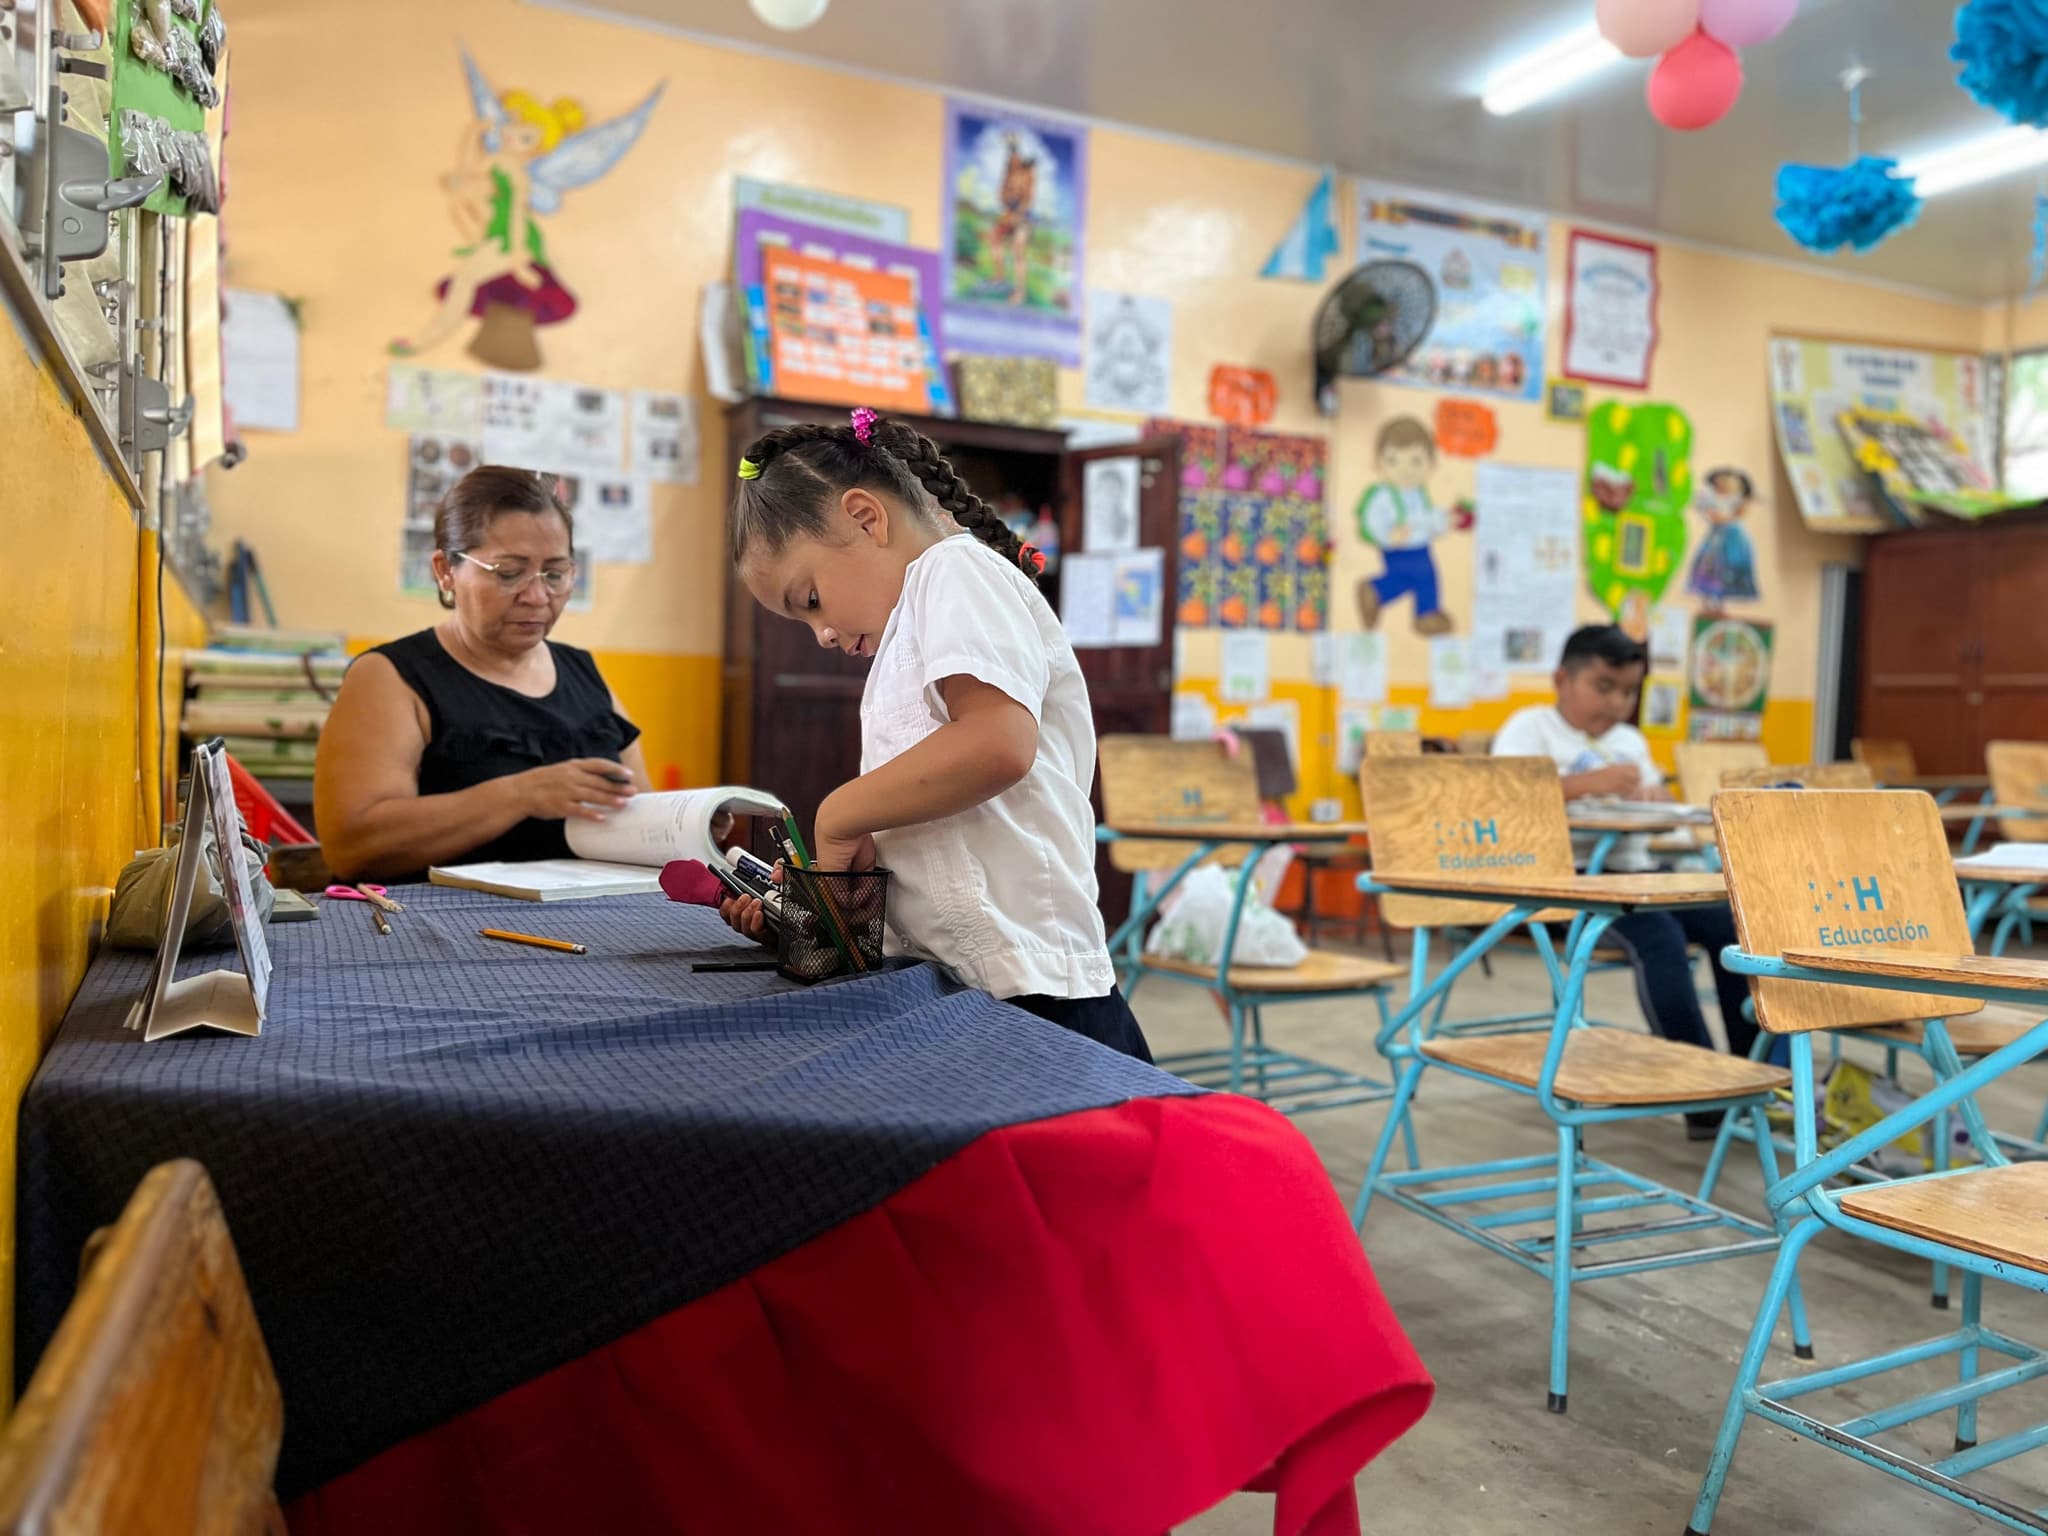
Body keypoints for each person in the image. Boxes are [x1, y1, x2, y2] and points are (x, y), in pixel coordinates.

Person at [716, 408, 1150, 1063]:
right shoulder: (912, 627)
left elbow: (999, 744)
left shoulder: (955, 572)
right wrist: (811, 920)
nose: (824, 634)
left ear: (866, 517)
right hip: (959, 989)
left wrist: (841, 815)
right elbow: (928, 863)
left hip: (1040, 999)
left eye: (810, 600)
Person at [316, 466, 649, 880]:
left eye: (556, 574)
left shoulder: (585, 674)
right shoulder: (389, 677)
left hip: (588, 921)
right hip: (432, 932)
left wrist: (688, 826)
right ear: (445, 571)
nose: (537, 596)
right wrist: (518, 795)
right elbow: (353, 847)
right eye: (509, 572)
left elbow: (639, 814)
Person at [1492, 625, 1756, 1139]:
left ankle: (1750, 1076)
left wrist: (1656, 800)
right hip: (1567, 883)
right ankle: (1700, 1091)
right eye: (1603, 686)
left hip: (1641, 874)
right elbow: (1501, 796)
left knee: (1733, 927)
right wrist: (1585, 785)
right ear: (1561, 679)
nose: (1616, 702)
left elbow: (1660, 810)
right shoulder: (1530, 729)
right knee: (1661, 943)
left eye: (1628, 690)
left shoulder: (1628, 741)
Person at [1354, 416, 1471, 635]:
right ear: (1377, 463)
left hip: (1420, 547)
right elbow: (1372, 519)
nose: (1405, 470)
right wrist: (1388, 534)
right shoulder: (1384, 495)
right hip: (1399, 549)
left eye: (1416, 461)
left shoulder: (1419, 494)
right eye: (1393, 461)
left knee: (1419, 578)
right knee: (1418, 576)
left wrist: (1446, 519)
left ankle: (1385, 595)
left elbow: (1426, 518)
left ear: (1431, 464)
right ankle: (1414, 608)